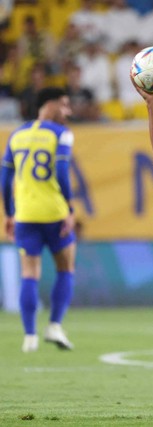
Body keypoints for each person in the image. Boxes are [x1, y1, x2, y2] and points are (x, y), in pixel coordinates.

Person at [1, 87, 77, 353]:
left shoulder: (17, 134)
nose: (68, 112)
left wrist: (9, 213)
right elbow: (62, 171)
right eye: (65, 105)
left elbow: (6, 178)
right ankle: (54, 325)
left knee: (29, 274)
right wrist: (68, 207)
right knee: (66, 268)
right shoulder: (61, 134)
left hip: (24, 215)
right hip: (55, 213)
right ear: (51, 104)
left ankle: (29, 336)